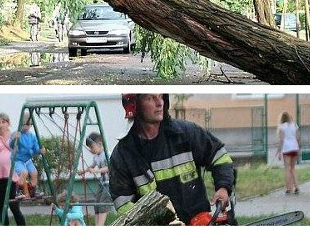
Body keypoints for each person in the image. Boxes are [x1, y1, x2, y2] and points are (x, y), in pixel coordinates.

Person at [109, 94, 235, 225]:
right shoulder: (123, 156)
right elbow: (125, 208)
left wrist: (223, 187)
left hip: (199, 222)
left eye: (161, 96)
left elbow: (219, 156)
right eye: (150, 98)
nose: (159, 103)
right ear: (134, 106)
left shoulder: (185, 134)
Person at [0, 112, 27, 226]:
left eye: (3, 122)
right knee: (2, 209)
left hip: (12, 177)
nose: (1, 125)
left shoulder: (15, 137)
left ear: (8, 123)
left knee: (14, 207)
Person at [11, 112, 45, 199]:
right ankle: (18, 191)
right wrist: (14, 139)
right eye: (25, 124)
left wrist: (40, 151)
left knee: (34, 173)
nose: (26, 126)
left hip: (27, 160)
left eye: (28, 124)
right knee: (24, 172)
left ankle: (32, 190)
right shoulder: (16, 134)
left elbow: (35, 149)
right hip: (18, 160)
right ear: (21, 123)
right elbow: (11, 145)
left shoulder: (32, 136)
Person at [81, 132, 112, 226]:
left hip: (110, 183)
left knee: (103, 204)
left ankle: (100, 226)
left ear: (99, 144)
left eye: (92, 147)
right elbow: (92, 166)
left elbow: (109, 167)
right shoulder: (96, 157)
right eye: (90, 148)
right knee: (97, 204)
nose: (91, 150)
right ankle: (97, 226)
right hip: (102, 183)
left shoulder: (106, 154)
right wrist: (84, 171)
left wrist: (95, 171)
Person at [276, 111, 301, 195]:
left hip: (286, 149)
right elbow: (297, 137)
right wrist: (298, 148)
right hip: (295, 147)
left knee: (287, 169)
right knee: (293, 168)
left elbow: (282, 140)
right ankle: (296, 187)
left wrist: (279, 151)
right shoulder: (294, 125)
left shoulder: (281, 127)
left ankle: (288, 189)